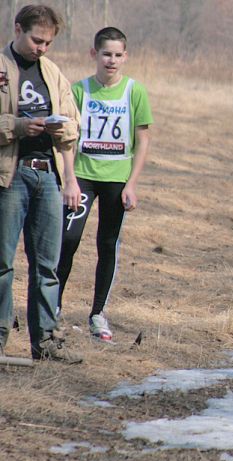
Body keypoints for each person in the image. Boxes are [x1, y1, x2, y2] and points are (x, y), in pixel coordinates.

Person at [56, 26, 153, 343]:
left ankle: (97, 314)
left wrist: (132, 184)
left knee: (107, 245)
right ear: (93, 54)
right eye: (106, 54)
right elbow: (68, 138)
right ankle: (52, 308)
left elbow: (143, 141)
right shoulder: (80, 90)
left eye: (117, 55)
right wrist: (69, 178)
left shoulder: (134, 91)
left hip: (116, 180)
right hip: (82, 176)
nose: (111, 60)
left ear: (125, 57)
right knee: (67, 240)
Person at [0, 4, 82, 363]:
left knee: (47, 264)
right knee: (3, 262)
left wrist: (71, 177)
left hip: (48, 175)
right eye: (36, 40)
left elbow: (73, 127)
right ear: (18, 29)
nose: (42, 48)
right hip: (10, 175)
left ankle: (46, 342)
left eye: (48, 43)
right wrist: (18, 127)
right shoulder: (2, 68)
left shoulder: (52, 72)